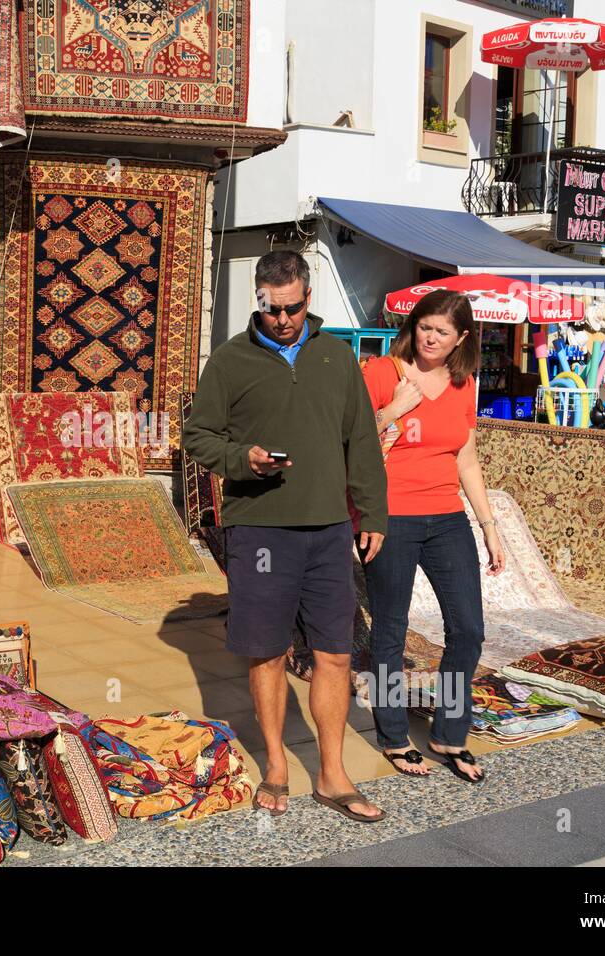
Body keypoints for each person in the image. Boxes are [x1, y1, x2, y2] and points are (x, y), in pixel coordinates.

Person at [184, 250, 388, 822]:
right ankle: (275, 765)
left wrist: (371, 513)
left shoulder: (337, 358)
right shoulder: (229, 361)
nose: (282, 320)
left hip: (328, 530)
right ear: (260, 300)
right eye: (272, 310)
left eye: (292, 308)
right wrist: (242, 459)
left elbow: (362, 442)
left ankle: (332, 773)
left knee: (335, 654)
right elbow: (198, 438)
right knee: (268, 652)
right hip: (260, 531)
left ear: (308, 297)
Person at [360, 289, 505, 784]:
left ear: (462, 337)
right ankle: (395, 736)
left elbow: (466, 458)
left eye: (443, 332)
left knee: (468, 629)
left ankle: (448, 733)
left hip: (446, 518)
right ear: (413, 325)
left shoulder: (465, 384)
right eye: (425, 327)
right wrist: (395, 408)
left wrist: (489, 527)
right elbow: (351, 439)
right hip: (391, 516)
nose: (431, 338)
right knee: (390, 631)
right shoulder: (382, 373)